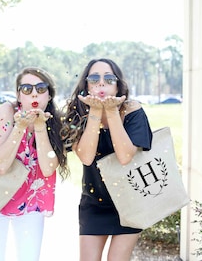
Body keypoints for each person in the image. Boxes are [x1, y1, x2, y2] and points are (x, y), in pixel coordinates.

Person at [61, 58, 153, 261]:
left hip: (130, 202)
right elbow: (86, 157)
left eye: (109, 78)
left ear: (118, 85)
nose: (101, 83)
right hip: (95, 202)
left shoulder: (132, 111)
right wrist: (95, 111)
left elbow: (125, 156)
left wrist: (111, 111)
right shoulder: (78, 113)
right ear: (86, 84)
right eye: (94, 78)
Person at [0, 67, 69, 261]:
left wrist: (39, 126)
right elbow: (0, 165)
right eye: (26, 88)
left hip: (31, 203)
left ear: (49, 95)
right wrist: (20, 127)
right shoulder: (7, 112)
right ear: (19, 95)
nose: (34, 93)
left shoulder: (53, 122)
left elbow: (47, 168)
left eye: (41, 88)